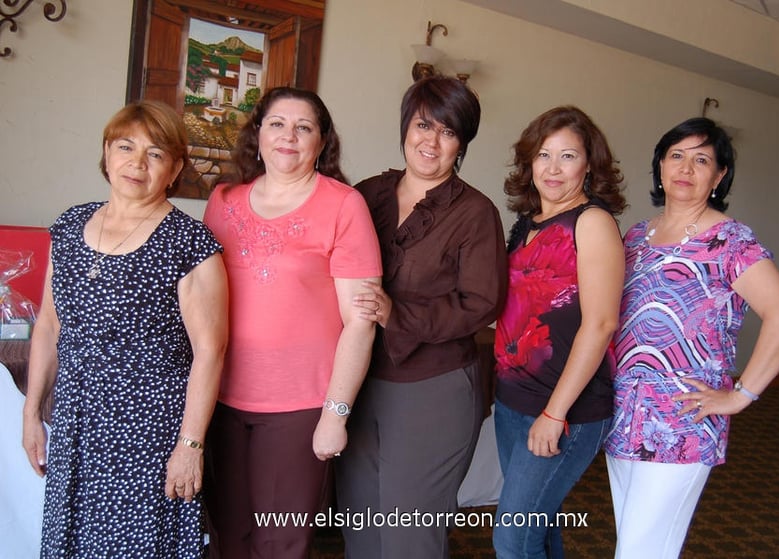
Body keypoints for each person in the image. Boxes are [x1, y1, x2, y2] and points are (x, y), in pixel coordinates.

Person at [21, 100, 229, 558]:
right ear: (106, 153)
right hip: (76, 423)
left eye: (156, 154)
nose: (137, 163)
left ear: (174, 169)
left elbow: (210, 352)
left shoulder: (190, 243)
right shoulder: (70, 224)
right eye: (126, 147)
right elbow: (49, 325)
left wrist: (190, 445)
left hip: (148, 434)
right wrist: (32, 412)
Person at [604, 117, 779, 558]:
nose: (686, 168)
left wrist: (740, 395)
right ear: (659, 165)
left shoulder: (731, 241)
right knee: (637, 543)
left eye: (701, 160)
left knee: (642, 552)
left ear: (719, 176)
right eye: (676, 155)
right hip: (624, 412)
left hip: (683, 420)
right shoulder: (637, 236)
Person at [202, 86, 382, 559]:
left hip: (300, 406)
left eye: (305, 127)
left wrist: (335, 414)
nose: (289, 136)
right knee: (226, 534)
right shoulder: (223, 200)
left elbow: (360, 322)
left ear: (322, 142)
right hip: (219, 398)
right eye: (277, 124)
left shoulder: (344, 205)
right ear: (257, 134)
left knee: (280, 540)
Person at [335, 76, 508, 559]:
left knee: (409, 531)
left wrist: (397, 312)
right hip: (360, 378)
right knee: (360, 518)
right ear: (406, 127)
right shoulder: (368, 193)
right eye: (423, 125)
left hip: (432, 386)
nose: (431, 141)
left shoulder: (475, 212)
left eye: (448, 132)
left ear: (462, 143)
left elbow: (482, 302)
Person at [492, 106, 626, 558]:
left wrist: (555, 413)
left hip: (565, 409)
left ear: (589, 165)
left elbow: (602, 322)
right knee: (539, 530)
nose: (553, 168)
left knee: (512, 539)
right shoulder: (527, 225)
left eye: (567, 156)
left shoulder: (591, 223)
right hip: (514, 401)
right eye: (543, 155)